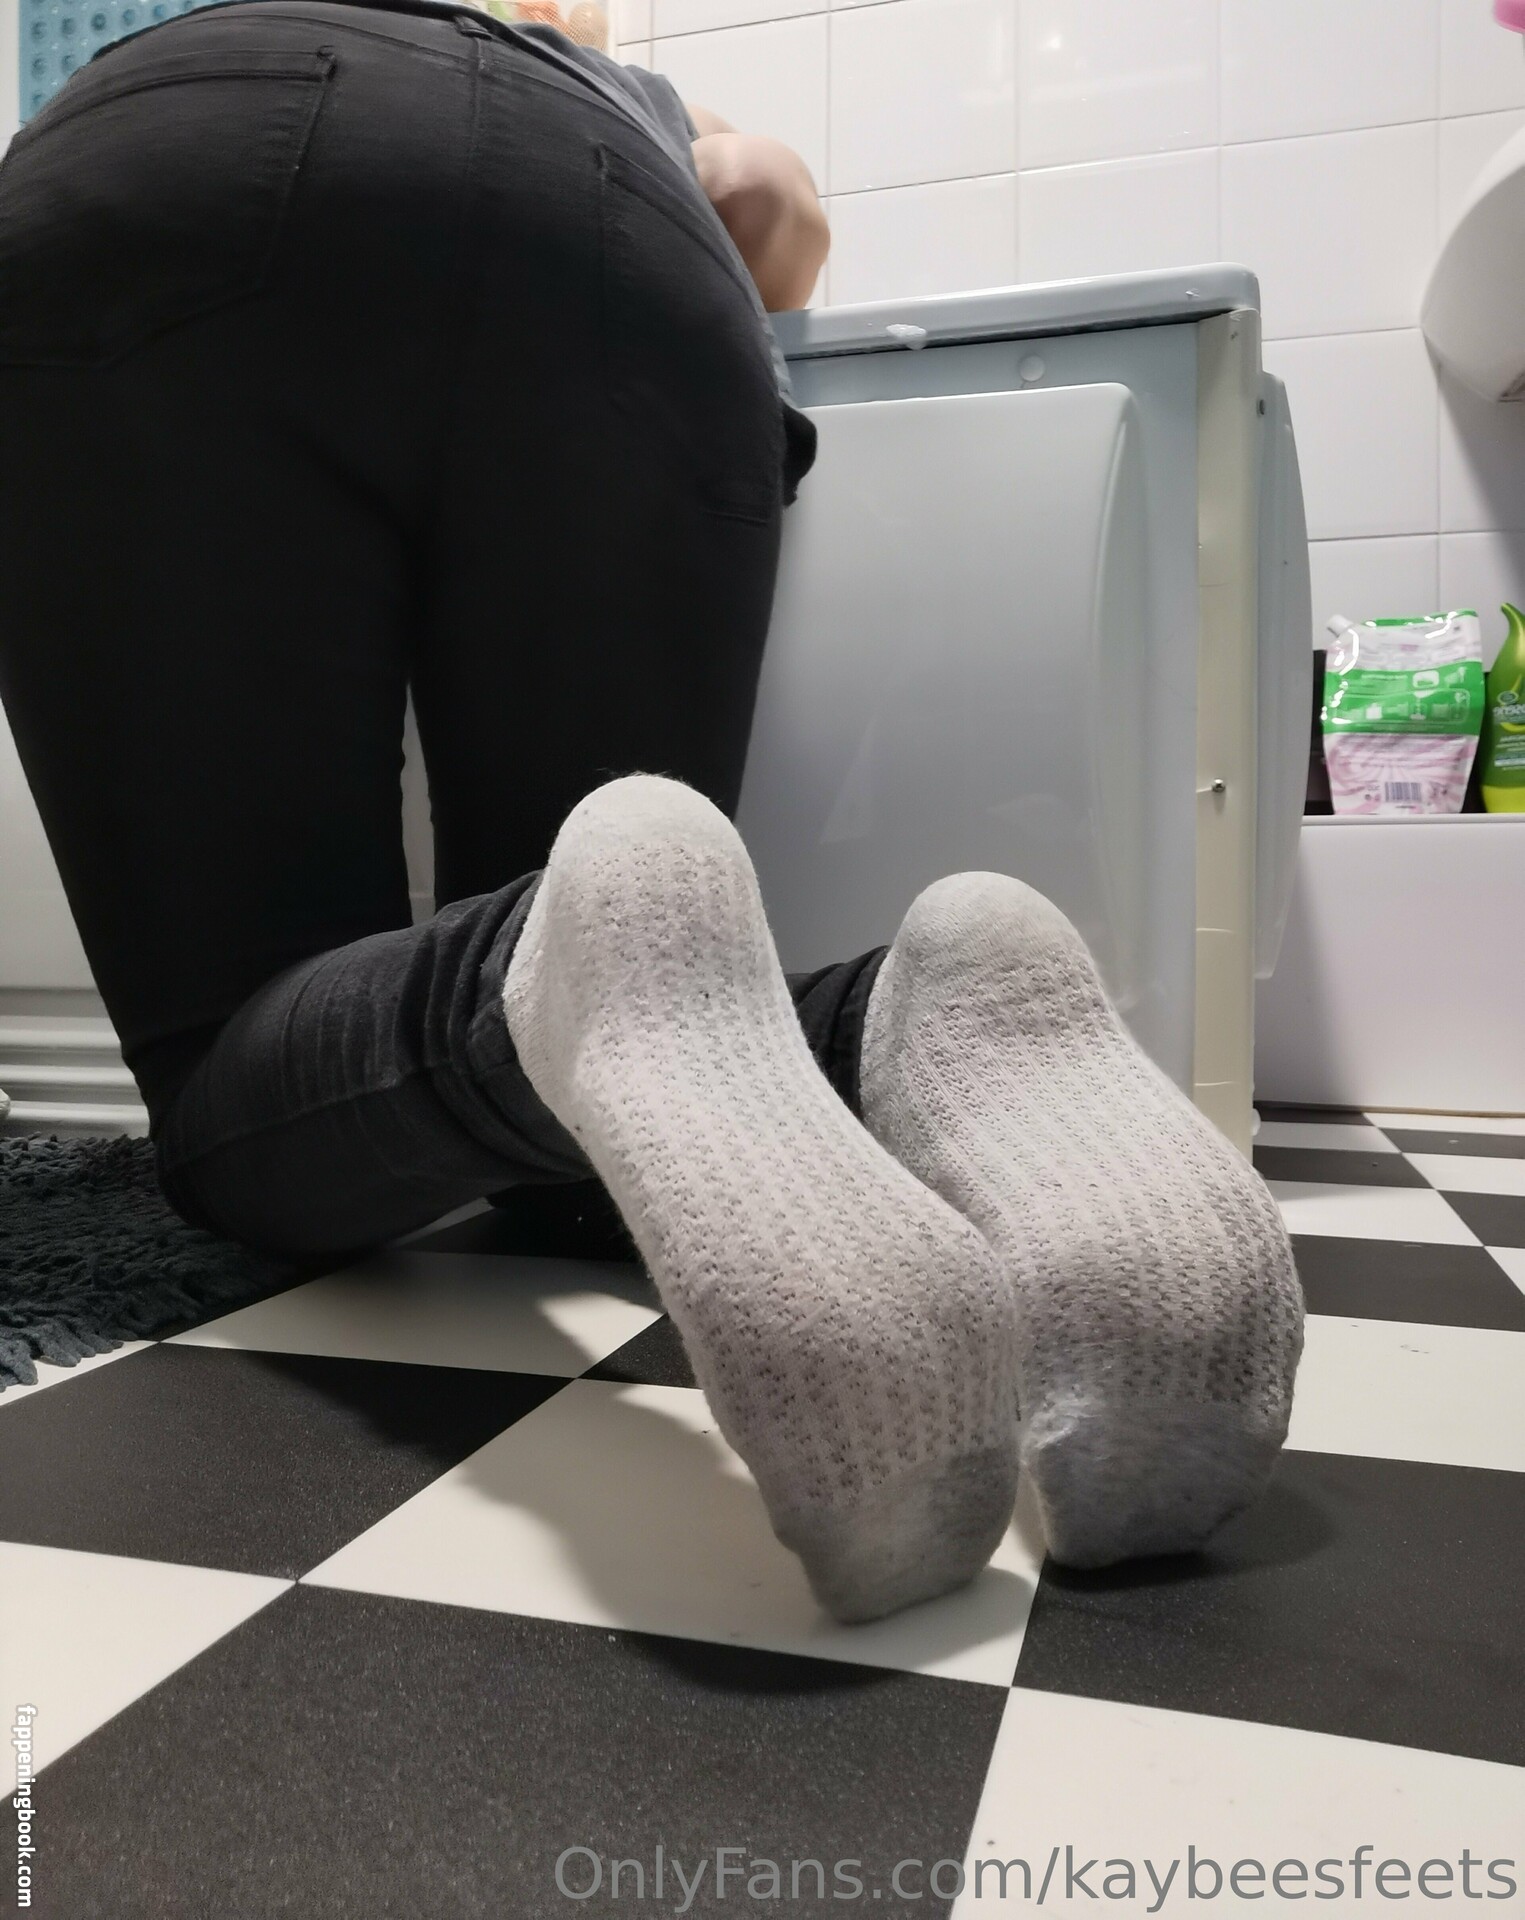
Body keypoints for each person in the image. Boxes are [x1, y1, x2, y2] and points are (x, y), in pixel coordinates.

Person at [0, 0, 1302, 1624]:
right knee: (585, 1146)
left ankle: (550, 966)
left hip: (168, 180)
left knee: (234, 1102)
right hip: (616, 227)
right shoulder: (624, 89)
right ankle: (896, 1014)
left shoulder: (226, 35)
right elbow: (765, 203)